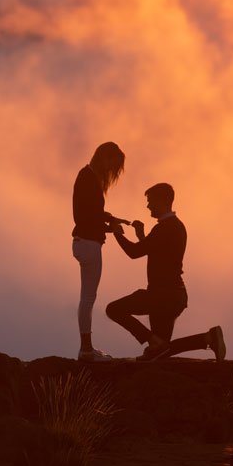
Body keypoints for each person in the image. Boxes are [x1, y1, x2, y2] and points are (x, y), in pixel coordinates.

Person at [106, 182, 226, 362]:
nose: (147, 206)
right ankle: (207, 338)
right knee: (159, 353)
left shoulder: (166, 227)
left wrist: (117, 233)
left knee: (113, 309)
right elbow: (156, 251)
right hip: (173, 296)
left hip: (163, 296)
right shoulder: (174, 226)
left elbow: (135, 252)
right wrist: (141, 236)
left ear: (162, 201)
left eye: (150, 201)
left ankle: (153, 340)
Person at [72, 141, 126, 362]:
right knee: (88, 299)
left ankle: (86, 348)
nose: (113, 171)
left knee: (87, 298)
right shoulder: (89, 178)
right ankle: (86, 349)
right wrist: (110, 227)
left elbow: (91, 211)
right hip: (89, 243)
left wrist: (109, 219)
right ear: (106, 158)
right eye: (113, 164)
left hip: (84, 242)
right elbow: (85, 216)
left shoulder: (87, 176)